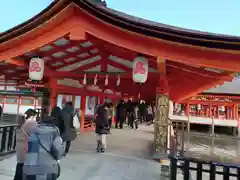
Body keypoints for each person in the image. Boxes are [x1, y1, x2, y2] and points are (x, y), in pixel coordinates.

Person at [22, 111, 64, 180]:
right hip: (48, 169)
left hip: (29, 169)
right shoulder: (54, 132)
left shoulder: (32, 131)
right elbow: (58, 151)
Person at [14, 109, 38, 180]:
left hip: (20, 151)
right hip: (25, 150)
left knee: (20, 167)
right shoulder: (30, 123)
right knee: (23, 170)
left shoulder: (21, 125)